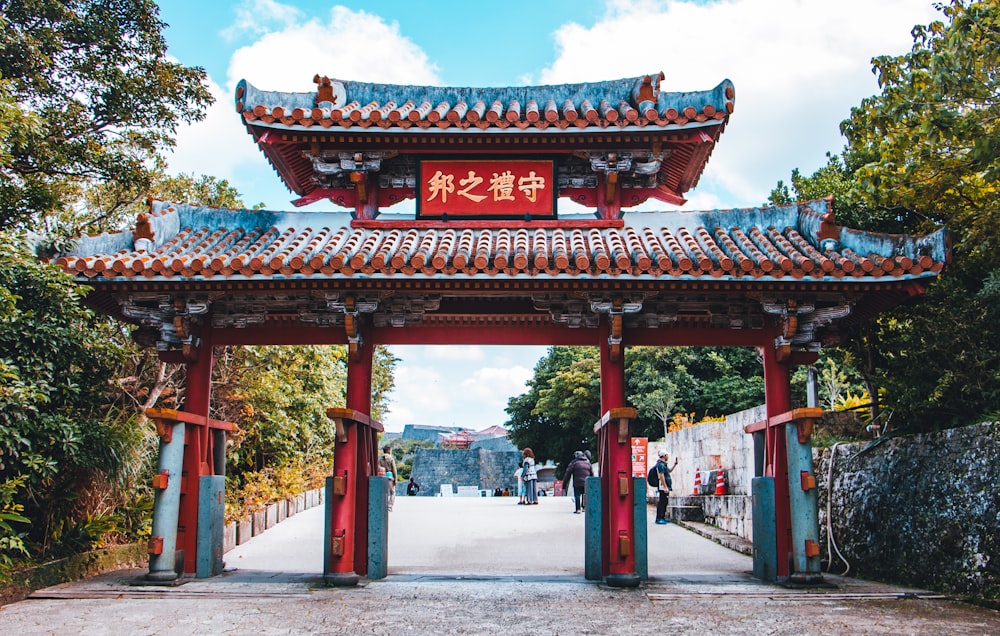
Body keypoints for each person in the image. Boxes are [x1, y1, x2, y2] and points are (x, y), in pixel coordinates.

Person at [654, 451, 679, 525]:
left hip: (666, 486)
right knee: (662, 502)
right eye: (667, 455)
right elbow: (661, 476)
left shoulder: (664, 465)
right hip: (663, 486)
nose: (668, 456)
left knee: (665, 501)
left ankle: (662, 517)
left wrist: (675, 465)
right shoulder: (660, 465)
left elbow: (668, 471)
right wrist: (665, 487)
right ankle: (659, 518)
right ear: (664, 456)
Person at [378, 445, 398, 511]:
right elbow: (394, 470)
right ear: (388, 450)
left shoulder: (380, 458)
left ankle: (383, 505)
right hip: (390, 476)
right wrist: (395, 479)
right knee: (392, 492)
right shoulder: (391, 458)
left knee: (384, 492)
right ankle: (390, 506)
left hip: (382, 476)